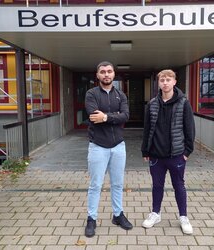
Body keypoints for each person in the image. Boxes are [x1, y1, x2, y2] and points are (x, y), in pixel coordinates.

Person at [141, 69, 195, 234]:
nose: (165, 82)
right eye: (162, 80)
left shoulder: (183, 103)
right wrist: (145, 150)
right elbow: (147, 129)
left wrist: (187, 152)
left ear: (174, 82)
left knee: (179, 185)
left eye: (168, 79)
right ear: (159, 83)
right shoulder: (152, 104)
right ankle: (155, 213)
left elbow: (190, 129)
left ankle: (183, 217)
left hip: (176, 155)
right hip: (156, 155)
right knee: (157, 185)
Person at [84, 61, 133, 238]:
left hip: (118, 146)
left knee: (118, 184)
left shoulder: (121, 95)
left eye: (109, 71)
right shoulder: (91, 94)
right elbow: (93, 115)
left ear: (114, 74)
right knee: (96, 184)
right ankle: (91, 218)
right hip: (98, 146)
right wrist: (113, 117)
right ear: (97, 75)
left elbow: (126, 116)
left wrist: (105, 117)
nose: (106, 74)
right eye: (103, 72)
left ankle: (118, 215)